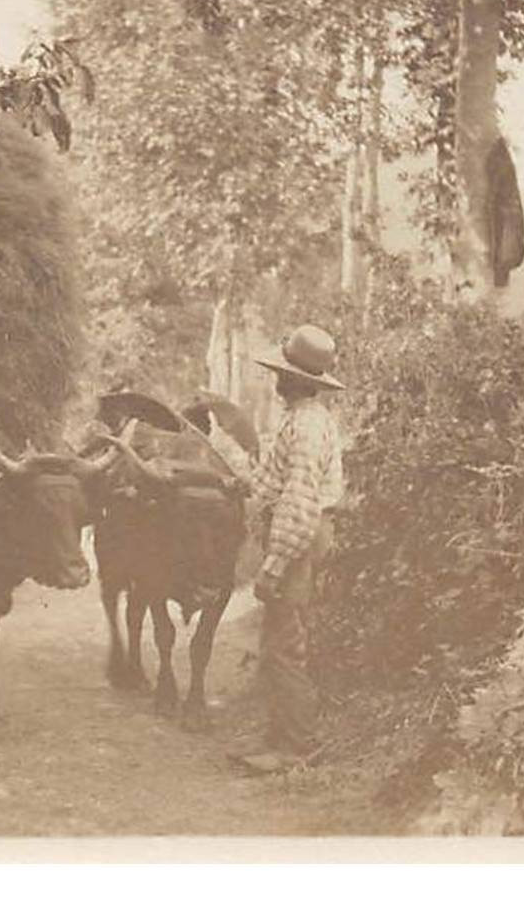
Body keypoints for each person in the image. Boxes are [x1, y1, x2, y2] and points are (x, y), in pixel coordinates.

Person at [231, 323, 346, 776]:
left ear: (298, 380)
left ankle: (296, 748)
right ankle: (278, 737)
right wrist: (241, 481)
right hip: (300, 533)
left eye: (282, 372)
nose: (276, 379)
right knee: (276, 640)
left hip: (300, 537)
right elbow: (272, 483)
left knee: (285, 645)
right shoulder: (302, 420)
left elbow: (299, 502)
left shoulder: (307, 427)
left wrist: (274, 566)